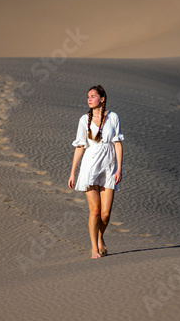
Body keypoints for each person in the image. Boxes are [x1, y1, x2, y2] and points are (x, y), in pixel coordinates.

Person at [68, 85, 124, 259]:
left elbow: (118, 143)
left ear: (102, 98)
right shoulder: (84, 120)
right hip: (90, 166)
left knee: (106, 214)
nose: (89, 99)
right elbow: (79, 147)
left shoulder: (113, 117)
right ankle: (94, 248)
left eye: (93, 96)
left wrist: (119, 168)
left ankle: (100, 236)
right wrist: (72, 172)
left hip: (109, 168)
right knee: (95, 211)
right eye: (88, 96)